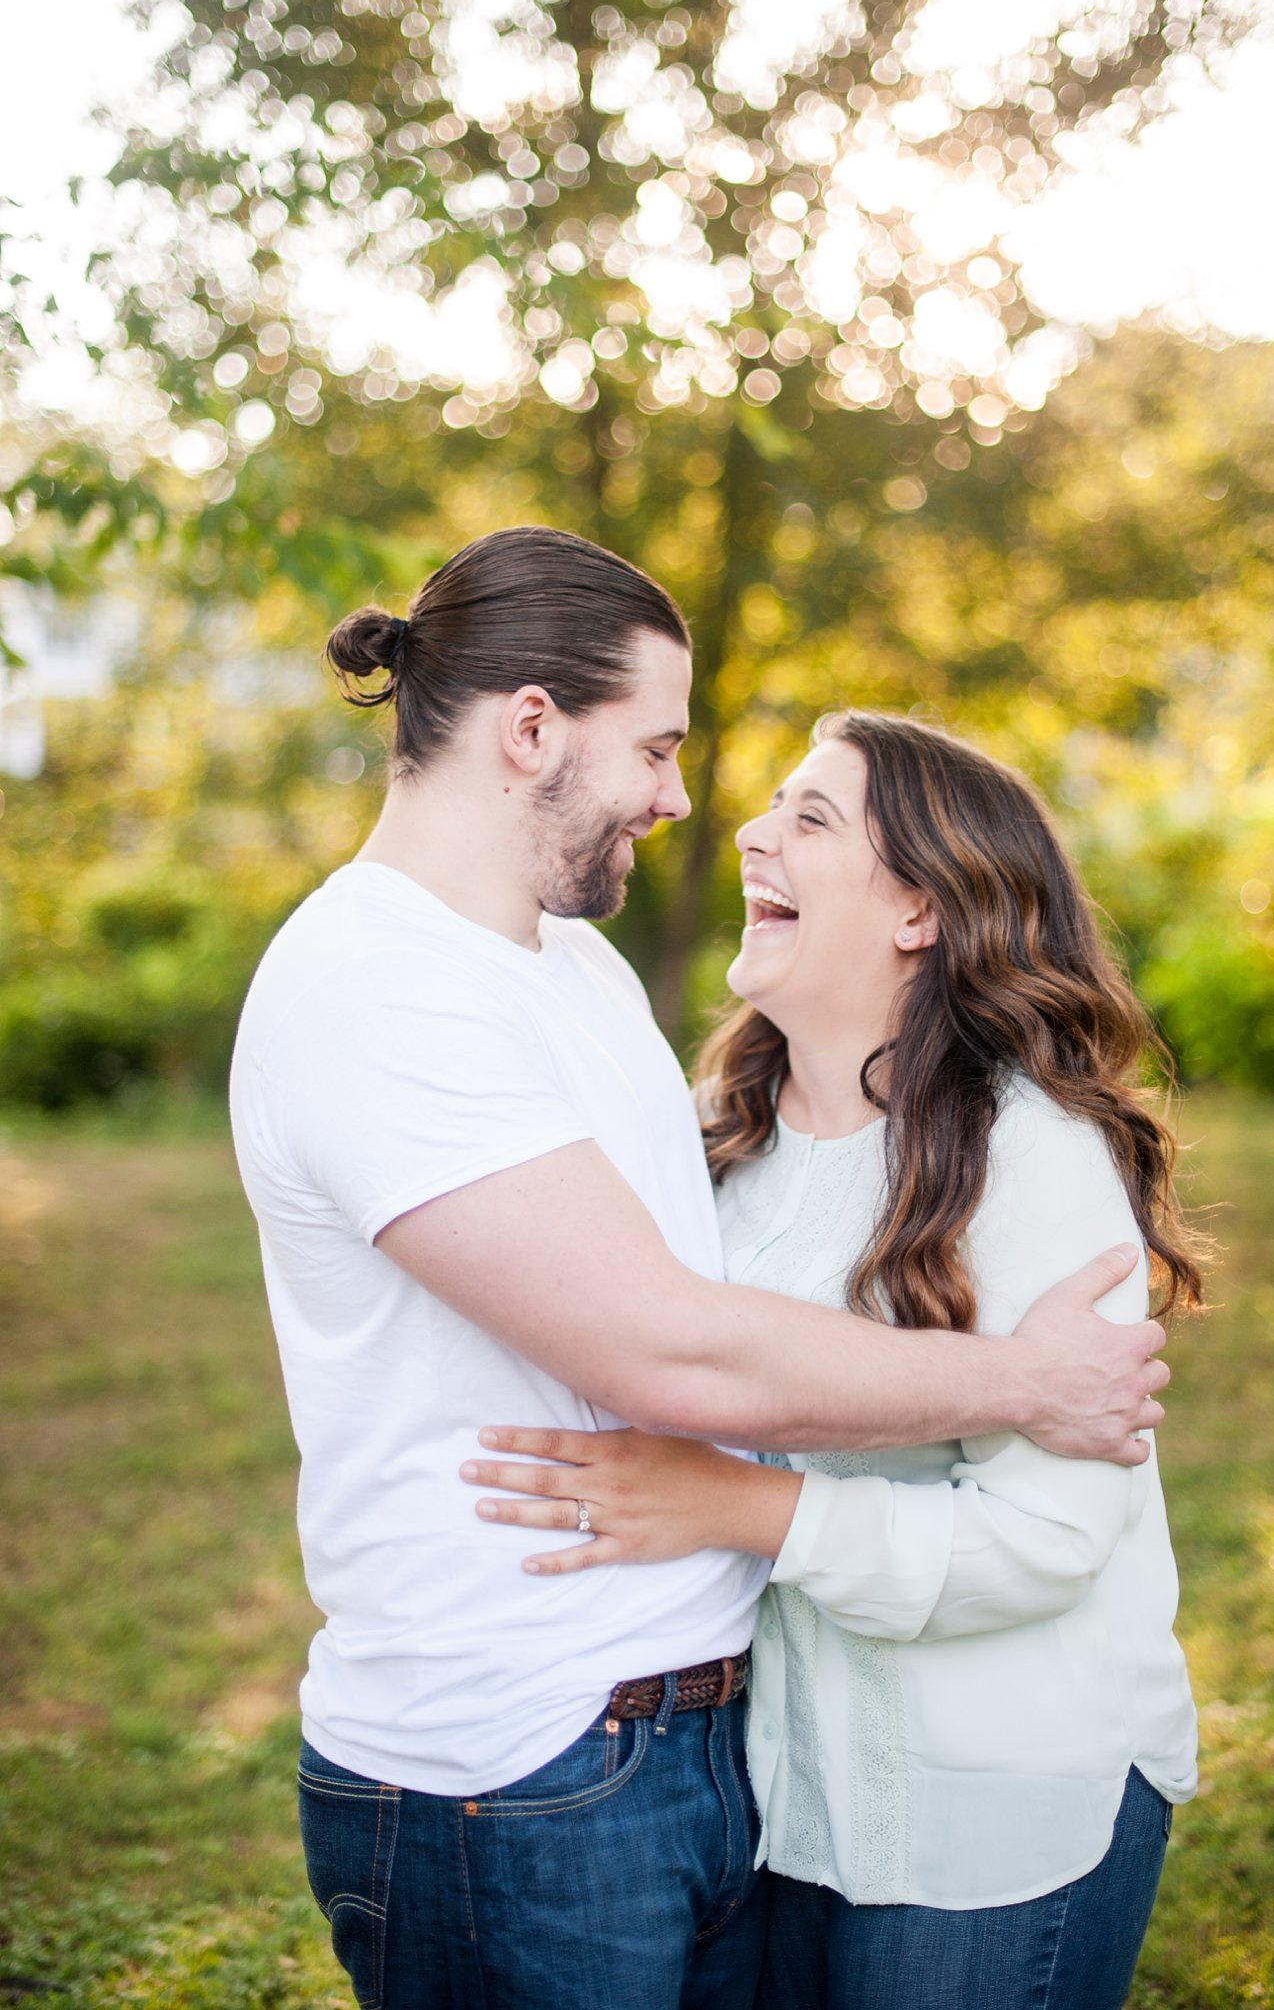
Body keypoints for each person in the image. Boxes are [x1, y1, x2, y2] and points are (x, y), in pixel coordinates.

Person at [228, 528, 1168, 2010]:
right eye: (658, 748)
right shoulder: (374, 987)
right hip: (518, 1772)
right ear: (531, 728)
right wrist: (1022, 1382)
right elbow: (671, 1351)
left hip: (706, 1761)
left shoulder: (579, 972)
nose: (686, 800)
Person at [460, 710, 1202, 2010]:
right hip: (776, 1798)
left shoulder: (1031, 1151)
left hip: (997, 1811)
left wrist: (741, 1504)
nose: (749, 828)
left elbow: (1049, 1536)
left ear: (921, 907)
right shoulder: (713, 1137)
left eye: (811, 817)